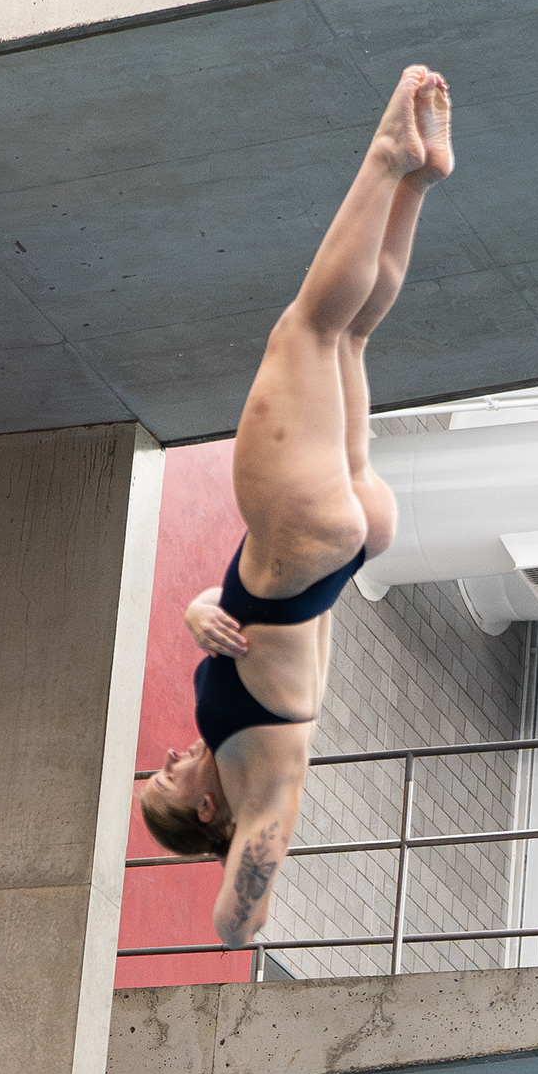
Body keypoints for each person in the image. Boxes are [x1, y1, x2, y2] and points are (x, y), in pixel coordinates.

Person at [136, 64, 452, 947]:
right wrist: (242, 852)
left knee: (349, 334)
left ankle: (419, 181)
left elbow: (270, 644)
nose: (168, 758)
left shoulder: (251, 747)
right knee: (308, 327)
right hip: (299, 542)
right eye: (165, 780)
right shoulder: (262, 788)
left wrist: (199, 610)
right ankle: (388, 156)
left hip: (336, 554)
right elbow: (236, 930)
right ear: (205, 810)